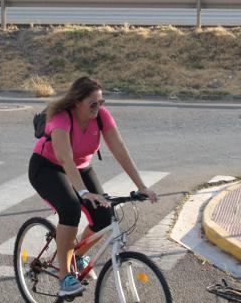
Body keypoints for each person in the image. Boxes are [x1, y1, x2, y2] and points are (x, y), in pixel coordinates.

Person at [28, 76, 158, 298]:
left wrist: (141, 186)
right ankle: (65, 277)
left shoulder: (101, 117)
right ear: (77, 101)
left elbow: (120, 150)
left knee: (103, 216)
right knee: (70, 208)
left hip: (81, 167)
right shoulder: (61, 118)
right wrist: (84, 193)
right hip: (47, 167)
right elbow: (65, 159)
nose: (98, 108)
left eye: (101, 103)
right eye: (93, 103)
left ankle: (77, 256)